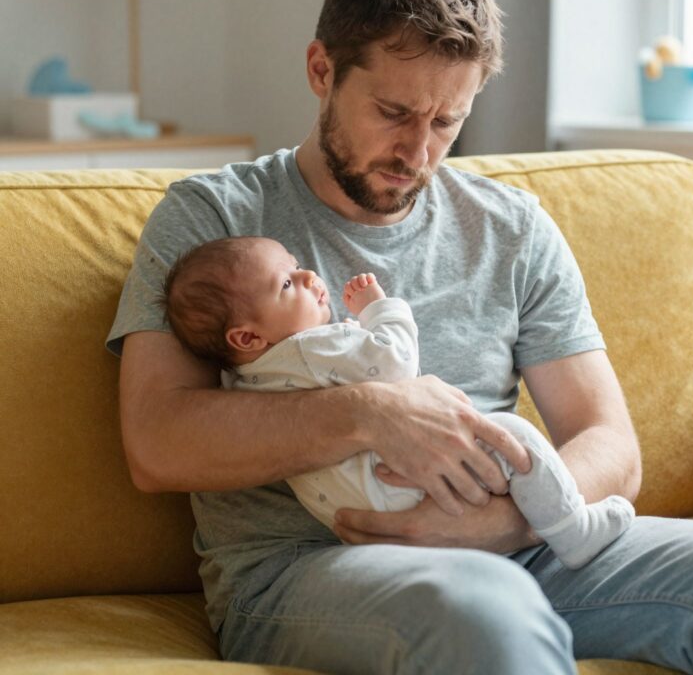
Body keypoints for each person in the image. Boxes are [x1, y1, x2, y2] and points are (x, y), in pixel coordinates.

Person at [108, 0, 693, 675]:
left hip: (517, 543)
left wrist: (507, 522)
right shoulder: (215, 219)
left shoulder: (511, 227)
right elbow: (156, 443)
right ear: (321, 71)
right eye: (394, 112)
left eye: (446, 122)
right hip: (304, 572)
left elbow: (609, 443)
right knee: (488, 605)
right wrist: (369, 413)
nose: (418, 152)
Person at [161, 235, 635, 569]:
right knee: (519, 439)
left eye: (296, 264)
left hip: (364, 510)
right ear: (246, 335)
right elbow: (394, 364)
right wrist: (379, 310)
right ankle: (572, 528)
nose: (307, 275)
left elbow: (609, 437)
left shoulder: (249, 378)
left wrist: (511, 526)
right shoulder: (312, 347)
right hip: (399, 489)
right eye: (286, 284)